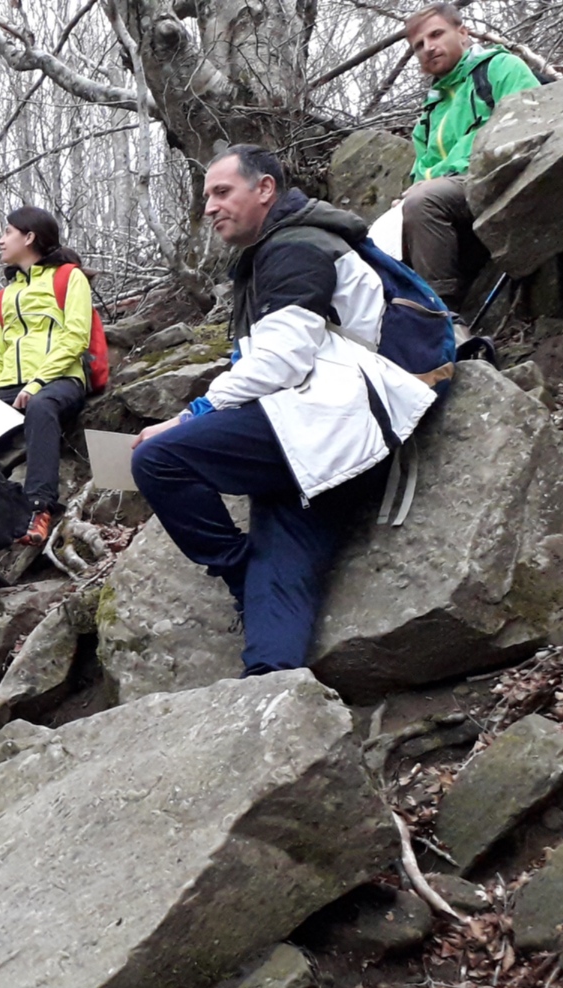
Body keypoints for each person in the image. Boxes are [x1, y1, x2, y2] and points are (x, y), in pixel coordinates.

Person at [130, 146, 437, 678]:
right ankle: (272, 687)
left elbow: (283, 358)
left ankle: (236, 568)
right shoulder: (282, 247)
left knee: (158, 459)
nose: (209, 207)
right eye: (207, 196)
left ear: (266, 189)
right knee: (277, 582)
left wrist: (195, 413)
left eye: (222, 192)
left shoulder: (294, 246)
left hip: (331, 420)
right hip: (329, 444)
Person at [402, 2, 541, 305]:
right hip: (453, 195)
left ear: (463, 33)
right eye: (419, 45)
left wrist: (434, 180)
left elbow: (530, 124)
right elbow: (421, 168)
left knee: (421, 202)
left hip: (499, 176)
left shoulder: (500, 67)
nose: (428, 48)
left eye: (436, 35)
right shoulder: (430, 112)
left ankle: (441, 314)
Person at [0, 205, 95, 546]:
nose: (0, 241)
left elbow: (75, 337)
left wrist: (38, 382)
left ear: (29, 237)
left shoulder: (69, 277)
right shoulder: (4, 296)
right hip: (9, 386)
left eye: (7, 233)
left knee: (42, 407)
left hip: (60, 380)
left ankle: (39, 508)